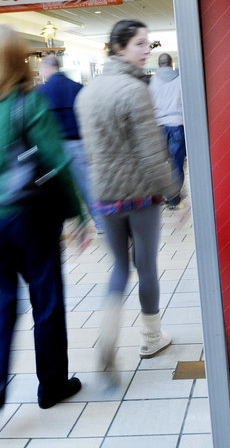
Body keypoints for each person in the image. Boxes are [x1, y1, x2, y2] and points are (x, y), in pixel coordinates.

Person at [0, 25, 87, 412]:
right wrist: (79, 216)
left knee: (3, 300)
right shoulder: (27, 102)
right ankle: (52, 385)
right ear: (16, 61)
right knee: (46, 299)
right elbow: (57, 163)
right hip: (30, 218)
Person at [75, 19, 181, 377]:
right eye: (139, 43)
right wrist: (172, 192)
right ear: (118, 47)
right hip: (139, 195)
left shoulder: (86, 94)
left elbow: (91, 151)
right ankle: (151, 337)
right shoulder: (135, 90)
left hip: (104, 195)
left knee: (120, 267)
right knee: (146, 266)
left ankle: (108, 332)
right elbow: (152, 152)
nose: (144, 51)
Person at [37, 55, 103, 232]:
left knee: (54, 190)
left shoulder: (40, 93)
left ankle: (55, 229)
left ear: (46, 68)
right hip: (78, 144)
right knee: (87, 185)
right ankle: (100, 223)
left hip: (53, 148)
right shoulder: (77, 88)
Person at [148, 53, 186, 209]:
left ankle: (160, 196)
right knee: (176, 164)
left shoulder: (152, 82)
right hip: (177, 125)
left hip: (158, 127)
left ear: (158, 65)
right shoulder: (180, 80)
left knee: (159, 164)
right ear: (171, 64)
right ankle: (173, 200)